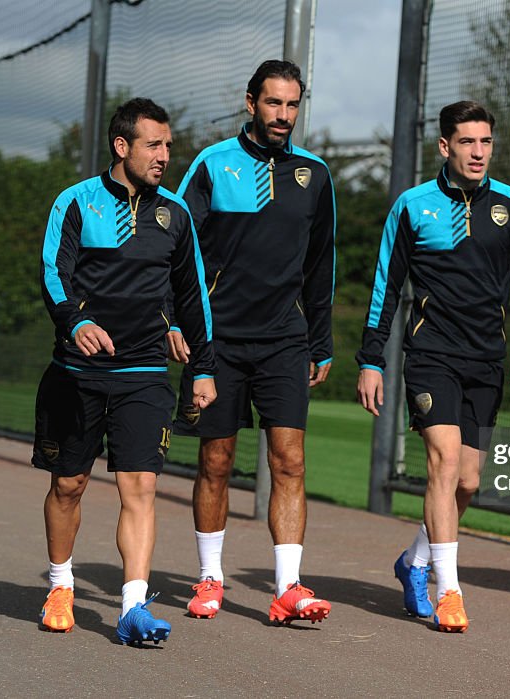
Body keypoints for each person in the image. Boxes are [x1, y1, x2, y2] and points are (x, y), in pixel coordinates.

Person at [356, 101, 510, 633]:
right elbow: (386, 286)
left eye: (486, 142)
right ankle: (450, 590)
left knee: (467, 480)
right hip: (430, 355)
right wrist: (371, 359)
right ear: (445, 146)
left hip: (487, 359)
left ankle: (414, 562)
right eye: (467, 142)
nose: (478, 152)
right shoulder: (411, 205)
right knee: (443, 463)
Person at [33, 98, 217, 645]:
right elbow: (53, 271)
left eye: (168, 145)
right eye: (153, 145)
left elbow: (192, 298)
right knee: (69, 485)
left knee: (140, 486)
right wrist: (74, 322)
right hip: (78, 373)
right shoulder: (76, 202)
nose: (165, 155)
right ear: (122, 146)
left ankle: (133, 606)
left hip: (143, 373)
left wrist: (202, 368)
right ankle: (61, 584)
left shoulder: (175, 214)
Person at [171, 60, 336, 625]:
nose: (284, 116)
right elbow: (178, 249)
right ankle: (209, 578)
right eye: (273, 104)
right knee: (216, 461)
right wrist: (176, 322)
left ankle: (288, 586)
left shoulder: (314, 174)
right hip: (219, 339)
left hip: (285, 339)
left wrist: (321, 340)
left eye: (292, 105)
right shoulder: (212, 165)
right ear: (251, 103)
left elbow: (321, 265)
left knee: (289, 461)